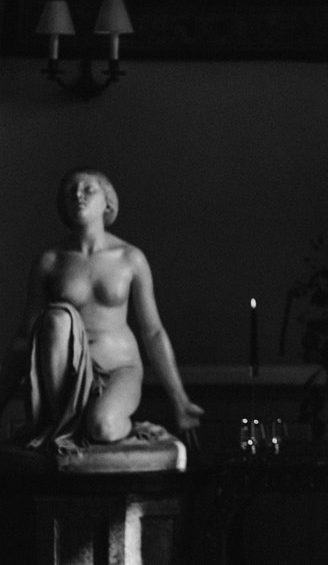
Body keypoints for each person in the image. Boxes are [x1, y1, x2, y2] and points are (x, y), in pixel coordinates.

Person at [0, 168, 202, 452]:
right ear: (63, 205)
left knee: (103, 426)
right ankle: (64, 423)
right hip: (66, 379)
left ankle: (127, 427)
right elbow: (25, 337)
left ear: (107, 201)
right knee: (56, 318)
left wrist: (179, 401)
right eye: (70, 192)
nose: (78, 196)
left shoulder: (130, 258)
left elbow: (153, 331)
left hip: (120, 367)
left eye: (87, 189)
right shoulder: (51, 261)